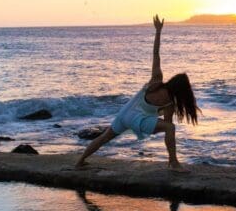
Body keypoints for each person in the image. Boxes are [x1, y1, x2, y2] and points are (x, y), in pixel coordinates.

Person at [75, 15, 199, 171]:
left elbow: (156, 54)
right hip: (137, 120)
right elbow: (168, 126)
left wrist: (158, 31)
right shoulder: (170, 103)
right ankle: (173, 163)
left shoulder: (156, 81)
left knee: (104, 137)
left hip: (125, 113)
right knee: (170, 128)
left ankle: (80, 161)